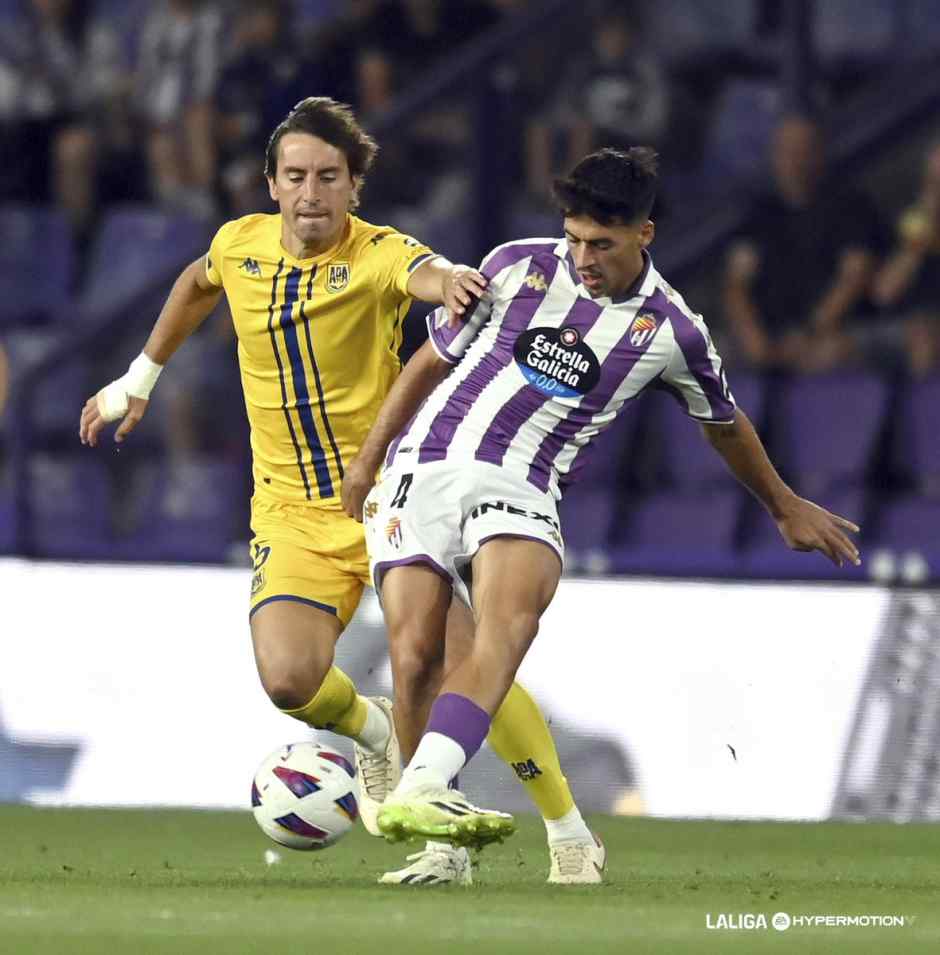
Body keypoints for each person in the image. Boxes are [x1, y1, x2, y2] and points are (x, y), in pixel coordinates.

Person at [79, 97, 600, 886]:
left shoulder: (381, 253)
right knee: (289, 679)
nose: (311, 192)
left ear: (354, 187)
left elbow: (427, 275)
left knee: (464, 661)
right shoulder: (239, 245)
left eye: (328, 177)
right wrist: (139, 378)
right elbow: (196, 282)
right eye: (295, 176)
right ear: (271, 183)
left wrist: (453, 281)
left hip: (389, 497)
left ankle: (565, 830)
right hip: (289, 513)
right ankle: (376, 731)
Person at [341, 146, 862, 850]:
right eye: (576, 238)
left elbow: (723, 422)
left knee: (508, 624)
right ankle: (442, 847)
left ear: (644, 234)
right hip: (425, 465)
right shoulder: (512, 265)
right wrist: (368, 460)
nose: (583, 257)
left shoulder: (672, 331)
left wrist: (782, 504)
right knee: (414, 656)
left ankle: (426, 782)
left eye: (602, 244)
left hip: (522, 484)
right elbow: (429, 361)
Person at [722, 114, 881, 373]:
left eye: (803, 150)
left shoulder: (851, 208)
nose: (795, 161)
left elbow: (854, 278)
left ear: (820, 154)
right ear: (774, 156)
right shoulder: (759, 214)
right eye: (786, 151)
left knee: (832, 352)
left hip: (830, 331)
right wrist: (753, 337)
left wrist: (809, 332)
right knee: (694, 355)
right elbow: (736, 284)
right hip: (768, 334)